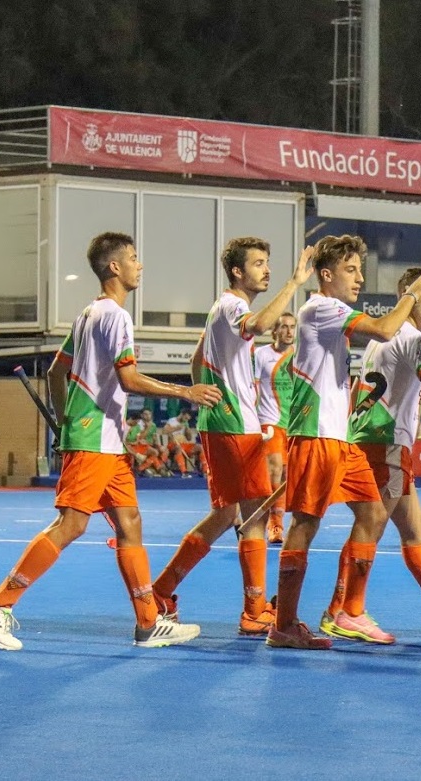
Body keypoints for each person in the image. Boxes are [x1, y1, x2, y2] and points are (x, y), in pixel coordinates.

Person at [0, 231, 222, 651]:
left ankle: (148, 623)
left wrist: (66, 417)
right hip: (94, 440)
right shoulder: (115, 317)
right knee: (72, 525)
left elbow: (57, 372)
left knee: (130, 522)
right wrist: (185, 392)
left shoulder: (87, 315)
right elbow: (129, 379)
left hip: (105, 440)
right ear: (115, 267)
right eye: (134, 258)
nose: (140, 265)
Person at [266, 234, 421, 650]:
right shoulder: (322, 307)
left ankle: (350, 611)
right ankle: (283, 624)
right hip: (316, 436)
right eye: (351, 270)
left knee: (374, 514)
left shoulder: (332, 313)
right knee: (305, 524)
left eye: (360, 270)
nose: (360, 278)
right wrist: (413, 294)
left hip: (338, 438)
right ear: (326, 275)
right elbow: (385, 328)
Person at [150, 237, 313, 637]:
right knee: (254, 515)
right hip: (236, 424)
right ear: (238, 272)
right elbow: (258, 325)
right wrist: (294, 283)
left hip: (225, 422)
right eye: (258, 263)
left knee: (227, 514)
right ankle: (254, 610)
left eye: (268, 262)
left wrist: (207, 394)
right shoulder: (234, 306)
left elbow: (196, 360)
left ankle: (161, 591)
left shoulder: (219, 309)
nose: (267, 269)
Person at [321, 268, 421, 639]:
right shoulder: (416, 339)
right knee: (370, 526)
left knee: (413, 529)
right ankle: (346, 611)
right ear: (415, 295)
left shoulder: (382, 337)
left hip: (372, 439)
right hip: (386, 442)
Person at [254, 312, 297, 544]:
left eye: (292, 327)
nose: (289, 331)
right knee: (274, 473)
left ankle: (276, 520)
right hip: (269, 421)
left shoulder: (300, 356)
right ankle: (274, 525)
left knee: (288, 477)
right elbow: (251, 389)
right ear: (275, 331)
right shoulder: (261, 355)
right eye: (284, 327)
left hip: (294, 424)